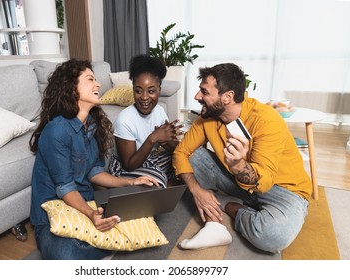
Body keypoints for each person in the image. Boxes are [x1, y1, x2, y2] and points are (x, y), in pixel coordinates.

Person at [172, 63, 311, 253]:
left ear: (227, 97)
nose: (197, 96)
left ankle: (231, 206)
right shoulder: (208, 117)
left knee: (273, 236)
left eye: (204, 92)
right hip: (235, 182)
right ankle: (220, 219)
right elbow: (181, 152)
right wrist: (196, 190)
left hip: (283, 190)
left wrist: (238, 165)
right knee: (193, 157)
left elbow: (264, 183)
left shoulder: (266, 120)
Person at [29, 59, 159, 260]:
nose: (98, 85)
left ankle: (106, 237)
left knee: (146, 215)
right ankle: (111, 241)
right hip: (54, 213)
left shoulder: (91, 124)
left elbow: (94, 172)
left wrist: (132, 181)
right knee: (67, 255)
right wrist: (91, 216)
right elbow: (65, 187)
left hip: (87, 204)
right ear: (71, 87)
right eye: (90, 80)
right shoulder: (56, 130)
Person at [108, 54, 183, 188]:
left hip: (151, 159)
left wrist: (170, 139)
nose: (144, 97)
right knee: (154, 180)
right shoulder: (125, 119)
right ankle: (167, 184)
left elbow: (170, 147)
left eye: (151, 91)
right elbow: (129, 165)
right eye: (138, 91)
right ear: (133, 90)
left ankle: (167, 184)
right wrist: (152, 138)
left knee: (185, 160)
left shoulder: (159, 111)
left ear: (159, 90)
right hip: (125, 169)